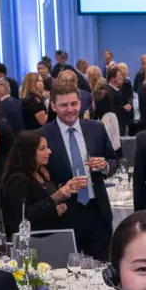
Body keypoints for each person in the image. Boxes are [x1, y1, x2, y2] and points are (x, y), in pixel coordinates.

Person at [41, 77, 119, 260]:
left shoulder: (96, 128)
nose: (70, 109)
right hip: (64, 214)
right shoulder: (42, 135)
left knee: (103, 270)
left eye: (74, 103)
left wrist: (105, 166)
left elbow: (114, 161)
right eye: (63, 105)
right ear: (53, 106)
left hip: (97, 211)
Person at [1, 130, 86, 237]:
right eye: (42, 149)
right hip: (33, 241)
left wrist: (59, 205)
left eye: (47, 147)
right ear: (28, 152)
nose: (49, 151)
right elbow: (21, 217)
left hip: (51, 234)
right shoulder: (18, 179)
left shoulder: (39, 172)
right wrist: (55, 198)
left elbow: (44, 203)